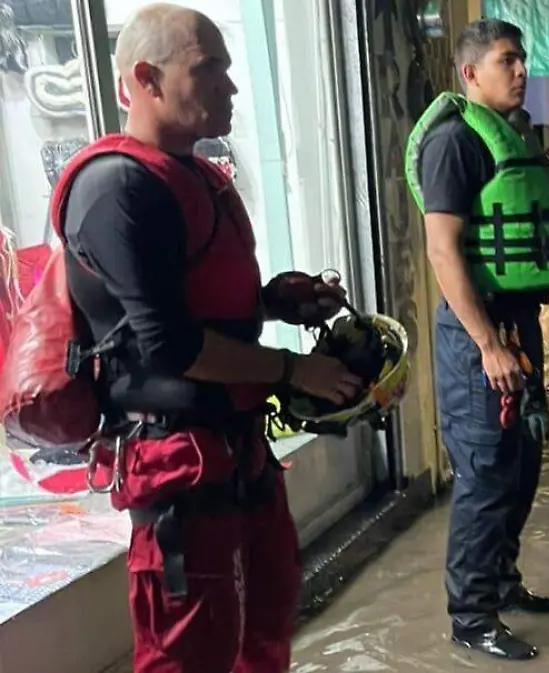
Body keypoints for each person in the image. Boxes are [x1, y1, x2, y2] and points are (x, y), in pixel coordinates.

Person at [56, 4, 362, 671]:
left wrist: (273, 301)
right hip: (176, 459)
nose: (230, 85)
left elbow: (194, 306)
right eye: (208, 68)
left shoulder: (194, 175)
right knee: (189, 648)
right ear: (146, 79)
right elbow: (166, 344)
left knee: (266, 620)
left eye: (226, 65)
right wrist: (293, 370)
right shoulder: (115, 190)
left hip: (235, 447)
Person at [404, 19, 549, 661]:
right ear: (470, 74)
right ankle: (470, 615)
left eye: (523, 60)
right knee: (485, 476)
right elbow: (442, 249)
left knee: (522, 466)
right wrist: (487, 344)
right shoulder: (454, 142)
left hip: (519, 327)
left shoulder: (515, 140)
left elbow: (527, 232)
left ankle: (503, 584)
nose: (521, 72)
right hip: (475, 336)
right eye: (507, 61)